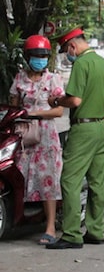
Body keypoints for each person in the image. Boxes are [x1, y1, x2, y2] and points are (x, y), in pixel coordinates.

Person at [47, 27, 104, 249]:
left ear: (73, 46)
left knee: (70, 180)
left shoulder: (81, 64)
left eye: (67, 49)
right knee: (98, 182)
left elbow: (74, 101)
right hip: (102, 128)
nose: (68, 53)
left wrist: (57, 101)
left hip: (83, 129)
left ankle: (71, 234)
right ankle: (95, 231)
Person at [9, 35, 65, 245]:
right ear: (28, 56)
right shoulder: (19, 78)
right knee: (19, 175)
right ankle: (20, 218)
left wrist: (34, 114)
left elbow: (59, 111)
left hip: (46, 138)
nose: (40, 59)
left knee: (48, 180)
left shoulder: (53, 80)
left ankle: (50, 227)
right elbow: (13, 106)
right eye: (36, 55)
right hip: (23, 136)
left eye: (43, 55)